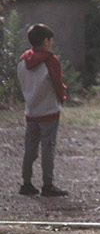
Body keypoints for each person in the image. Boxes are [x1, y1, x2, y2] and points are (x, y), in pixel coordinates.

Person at [16, 23, 68, 197]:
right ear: (46, 41)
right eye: (51, 40)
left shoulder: (23, 60)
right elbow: (57, 83)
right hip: (49, 110)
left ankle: (26, 183)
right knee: (48, 147)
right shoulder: (50, 60)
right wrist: (62, 98)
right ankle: (48, 184)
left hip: (31, 110)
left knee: (30, 148)